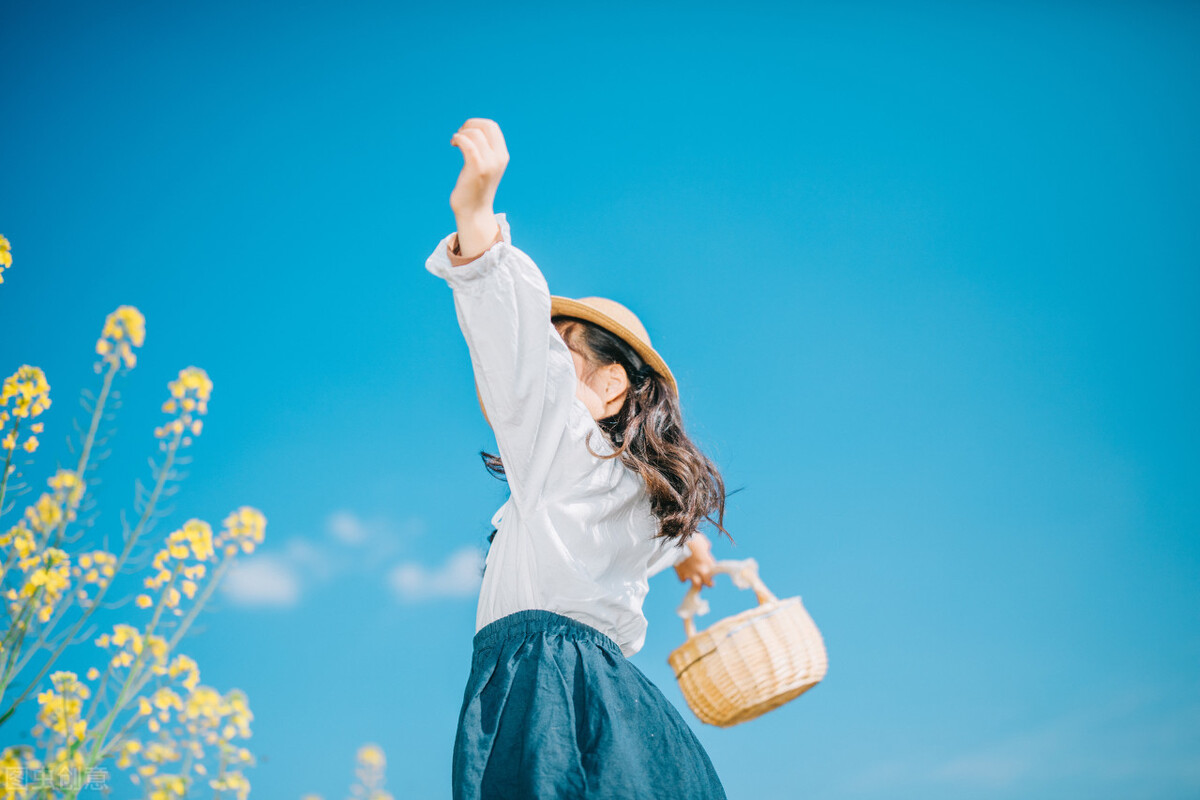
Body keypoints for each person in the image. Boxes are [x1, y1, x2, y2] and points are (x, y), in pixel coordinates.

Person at [425, 117, 732, 800]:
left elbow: (513, 346)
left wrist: (475, 221)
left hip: (548, 697)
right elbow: (657, 543)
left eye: (563, 353)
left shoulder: (561, 447)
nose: (544, 369)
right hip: (625, 718)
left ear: (610, 384)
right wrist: (694, 555)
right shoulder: (637, 492)